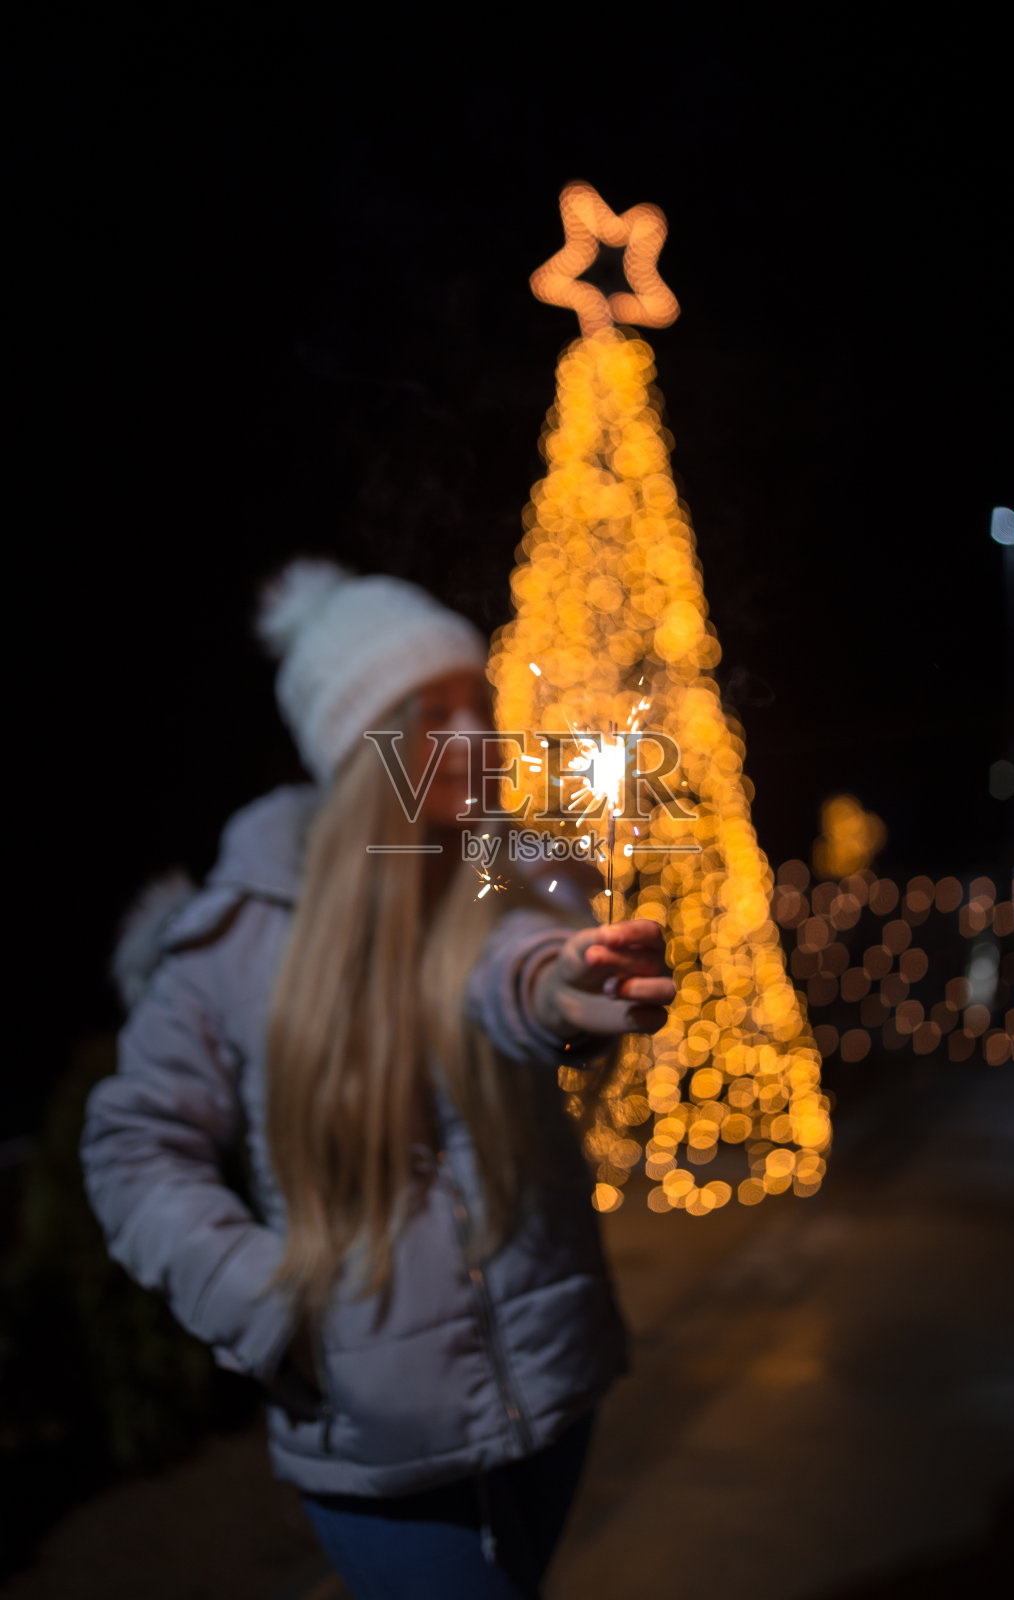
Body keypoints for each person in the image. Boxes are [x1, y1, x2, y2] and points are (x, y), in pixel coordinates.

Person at [80, 559, 676, 1600]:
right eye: (429, 711)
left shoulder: (500, 862)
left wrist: (562, 996)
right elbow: (133, 1144)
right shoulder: (238, 934)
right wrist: (266, 1305)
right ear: (361, 746)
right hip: (374, 1437)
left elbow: (517, 966)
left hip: (550, 1391)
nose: (475, 735)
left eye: (477, 702)